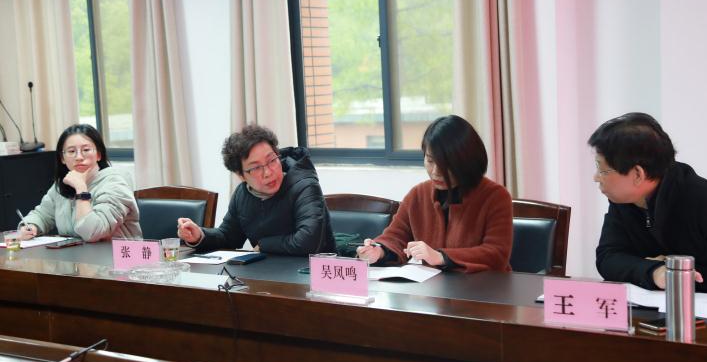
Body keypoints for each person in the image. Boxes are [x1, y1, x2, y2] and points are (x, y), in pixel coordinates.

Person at [588, 112, 707, 295]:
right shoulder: (624, 200)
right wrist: (654, 272)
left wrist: (676, 274)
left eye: (602, 170)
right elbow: (608, 257)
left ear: (638, 174)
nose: (596, 178)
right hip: (655, 309)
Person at [357, 115, 513, 272]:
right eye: (430, 161)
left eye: (446, 164)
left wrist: (441, 257)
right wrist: (379, 251)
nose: (436, 172)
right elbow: (395, 237)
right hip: (433, 284)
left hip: (483, 285)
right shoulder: (418, 195)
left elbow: (496, 253)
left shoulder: (495, 196)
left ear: (467, 162)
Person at [177, 124, 334, 255]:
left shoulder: (304, 186)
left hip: (312, 274)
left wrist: (263, 245)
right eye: (256, 168)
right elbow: (228, 237)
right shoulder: (242, 194)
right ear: (241, 175)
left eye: (272, 160)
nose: (268, 172)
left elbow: (308, 242)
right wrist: (200, 235)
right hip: (267, 274)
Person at [19, 124, 141, 242]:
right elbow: (43, 215)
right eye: (71, 151)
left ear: (98, 155)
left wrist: (81, 189)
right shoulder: (62, 185)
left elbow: (93, 232)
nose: (79, 157)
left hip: (123, 254)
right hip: (79, 254)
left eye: (86, 150)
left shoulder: (115, 183)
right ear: (62, 158)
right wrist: (31, 226)